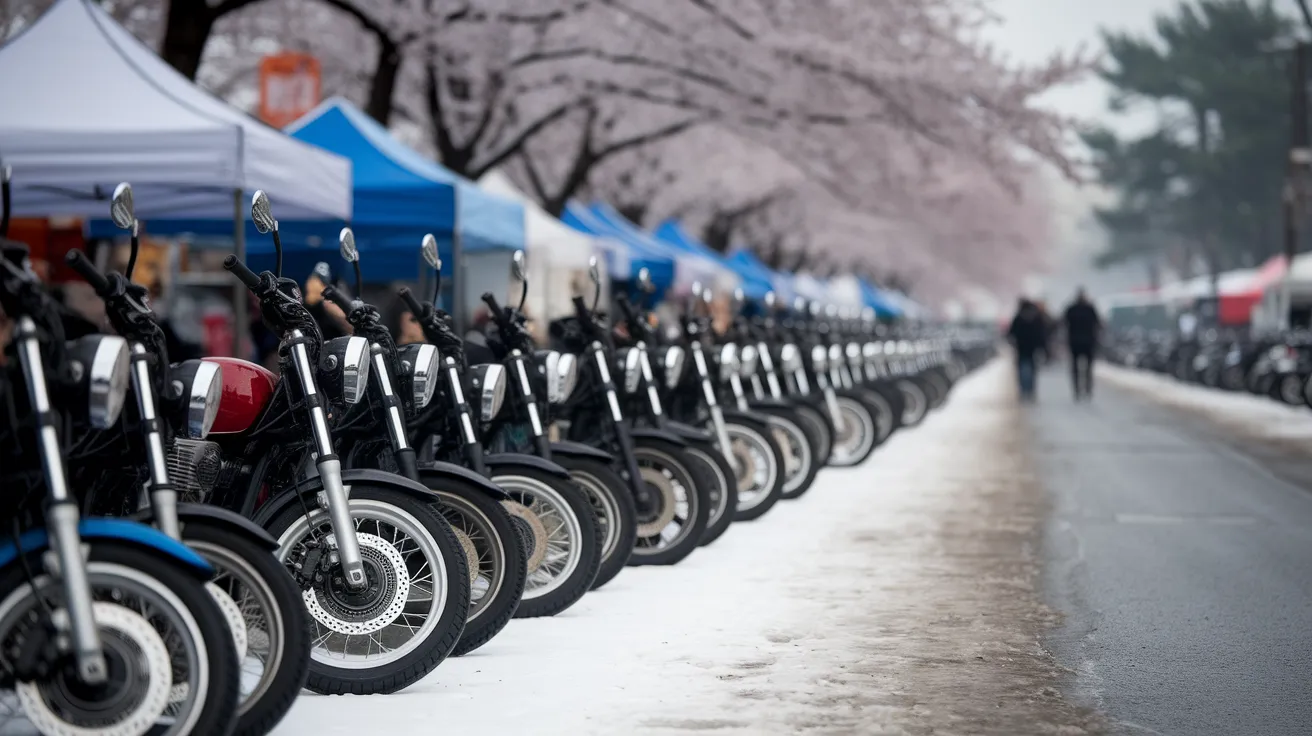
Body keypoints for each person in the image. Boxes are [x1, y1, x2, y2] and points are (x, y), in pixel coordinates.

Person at [1063, 288, 1102, 400]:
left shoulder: (1071, 309)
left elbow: (1064, 323)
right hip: (1088, 342)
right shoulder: (1090, 309)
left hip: (1074, 342)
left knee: (1075, 367)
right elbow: (1098, 323)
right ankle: (1088, 388)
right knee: (1088, 368)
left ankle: (1077, 389)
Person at [1007, 298, 1047, 400]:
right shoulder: (1037, 317)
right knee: (1033, 370)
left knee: (1021, 369)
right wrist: (1042, 346)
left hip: (1021, 347)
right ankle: (1031, 390)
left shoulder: (1018, 317)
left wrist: (1013, 342)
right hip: (1033, 347)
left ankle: (1023, 390)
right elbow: (1041, 333)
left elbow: (1011, 333)